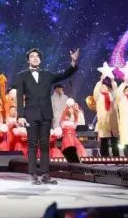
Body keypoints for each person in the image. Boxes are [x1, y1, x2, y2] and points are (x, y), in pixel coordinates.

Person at [13, 48, 79, 185]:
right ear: (28, 60)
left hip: (46, 115)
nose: (35, 58)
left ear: (40, 59)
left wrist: (73, 61)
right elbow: (19, 97)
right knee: (32, 144)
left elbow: (65, 74)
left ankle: (45, 174)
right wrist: (20, 115)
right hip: (30, 115)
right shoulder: (22, 75)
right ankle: (33, 175)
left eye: (37, 56)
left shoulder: (47, 74)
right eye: (32, 56)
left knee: (45, 145)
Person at [88, 76, 119, 157]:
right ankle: (105, 156)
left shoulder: (112, 95)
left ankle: (116, 155)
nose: (103, 88)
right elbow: (95, 91)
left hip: (112, 120)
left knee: (114, 140)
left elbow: (116, 92)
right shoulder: (98, 96)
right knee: (104, 140)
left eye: (105, 87)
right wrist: (100, 80)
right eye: (102, 87)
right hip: (103, 121)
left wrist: (112, 81)